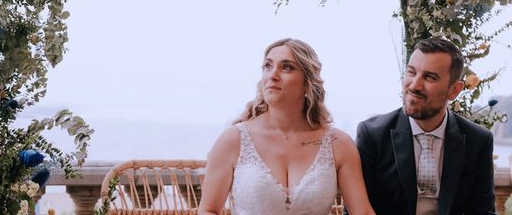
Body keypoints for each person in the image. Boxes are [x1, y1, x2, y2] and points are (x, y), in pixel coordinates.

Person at [199, 38, 375, 215]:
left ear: (308, 83)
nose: (273, 75)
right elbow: (208, 210)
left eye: (286, 67)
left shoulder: (338, 143)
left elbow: (363, 212)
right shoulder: (233, 140)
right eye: (268, 66)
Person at [355, 37, 496, 215]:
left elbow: (483, 211)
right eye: (411, 72)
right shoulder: (372, 135)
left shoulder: (479, 140)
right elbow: (356, 210)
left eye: (430, 77)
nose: (414, 86)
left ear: (454, 90)